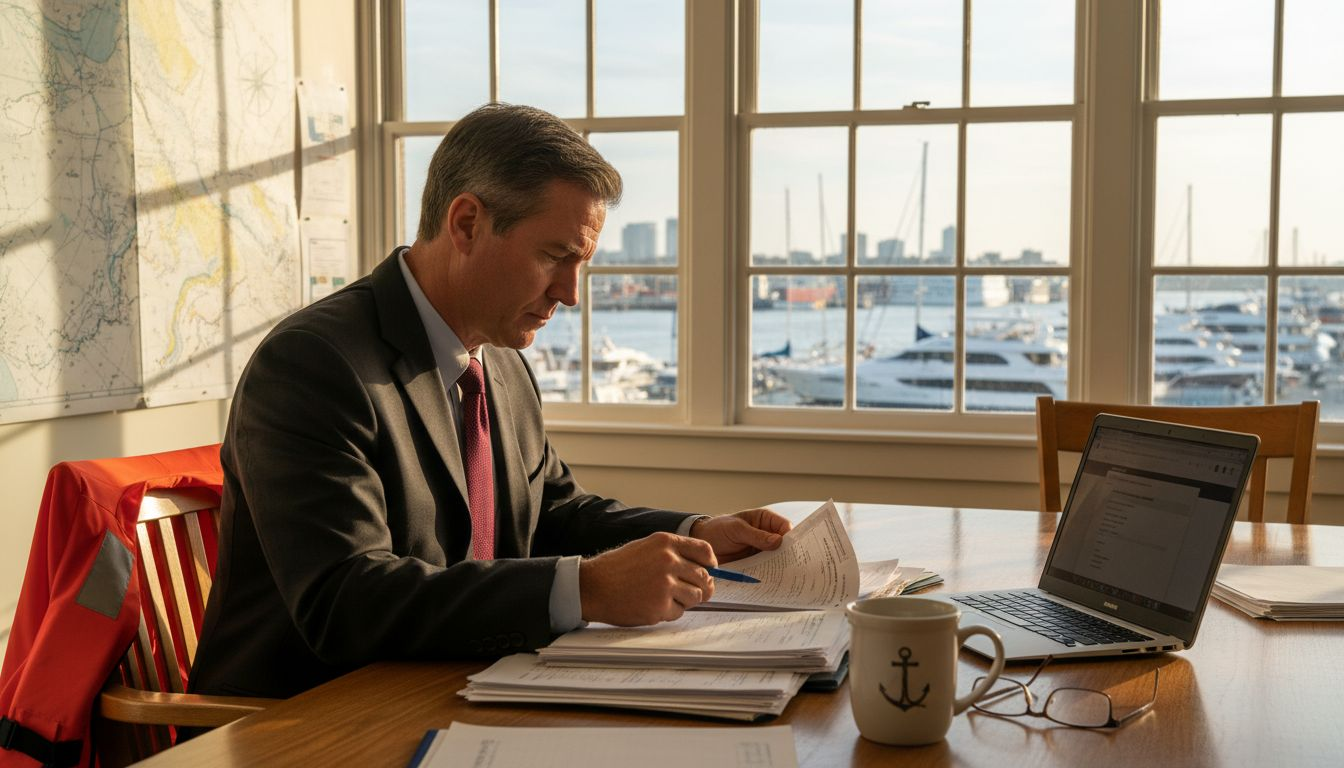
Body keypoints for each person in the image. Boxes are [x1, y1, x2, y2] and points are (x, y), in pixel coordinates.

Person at [190, 103, 792, 701]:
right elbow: (345, 600)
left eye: (580, 265)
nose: (570, 294)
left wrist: (696, 533)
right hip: (304, 717)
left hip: (453, 687)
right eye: (554, 256)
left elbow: (552, 513)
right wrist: (586, 589)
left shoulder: (500, 361)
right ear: (467, 224)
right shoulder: (311, 364)